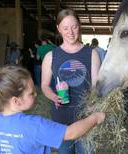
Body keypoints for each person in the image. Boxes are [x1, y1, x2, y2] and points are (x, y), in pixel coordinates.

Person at [0, 65, 105, 154]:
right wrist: (95, 118)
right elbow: (70, 133)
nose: (36, 94)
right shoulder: (34, 125)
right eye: (31, 93)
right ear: (16, 100)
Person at [41, 9, 101, 154]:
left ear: (79, 26)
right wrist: (53, 96)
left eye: (74, 27)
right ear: (58, 29)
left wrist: (93, 103)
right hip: (61, 120)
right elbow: (44, 85)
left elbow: (96, 85)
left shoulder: (91, 54)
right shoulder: (51, 56)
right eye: (65, 28)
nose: (71, 32)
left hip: (86, 117)